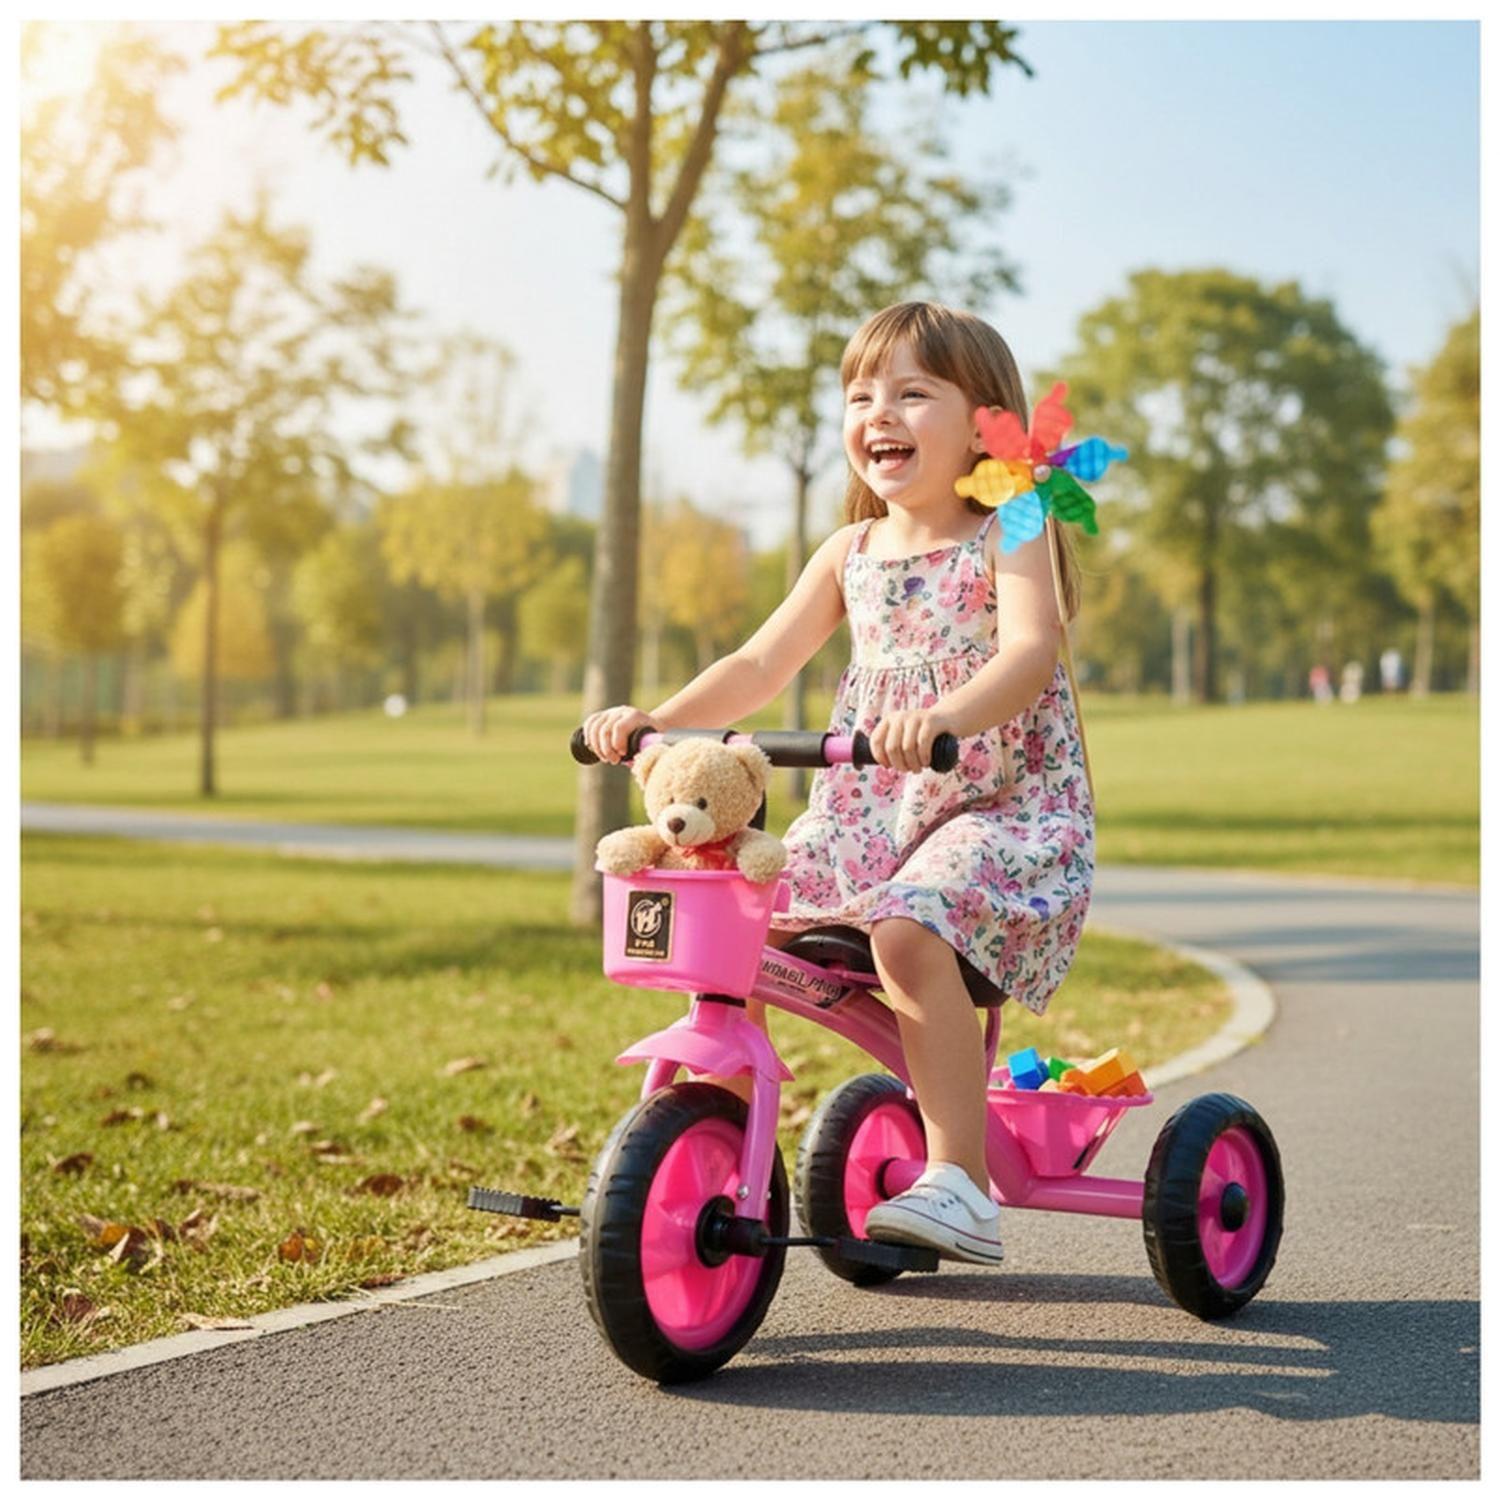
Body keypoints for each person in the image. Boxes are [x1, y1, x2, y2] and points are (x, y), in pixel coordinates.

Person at [582, 301, 1094, 1266]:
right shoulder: (849, 551)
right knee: (734, 909)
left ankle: (961, 1181)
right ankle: (713, 1133)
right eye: (861, 395)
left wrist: (944, 717)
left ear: (986, 421)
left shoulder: (1010, 527)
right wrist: (659, 721)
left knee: (907, 923)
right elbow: (755, 665)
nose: (879, 413)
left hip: (1003, 810)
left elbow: (1030, 651)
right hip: (872, 812)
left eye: (911, 392)